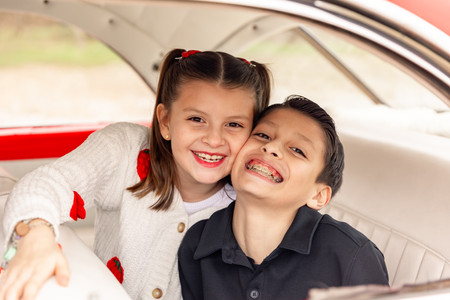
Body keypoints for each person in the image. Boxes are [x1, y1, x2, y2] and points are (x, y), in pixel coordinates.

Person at [0, 49, 271, 300]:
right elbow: (48, 184)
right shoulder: (126, 151)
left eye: (234, 124)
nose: (214, 139)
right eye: (196, 119)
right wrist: (36, 234)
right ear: (165, 122)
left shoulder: (254, 197)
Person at [178, 95, 389, 300]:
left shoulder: (351, 255)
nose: (271, 147)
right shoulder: (197, 245)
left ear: (318, 196)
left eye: (297, 150)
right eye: (263, 135)